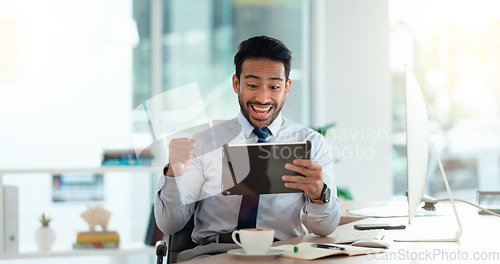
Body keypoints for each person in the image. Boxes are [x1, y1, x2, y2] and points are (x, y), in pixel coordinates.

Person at [155, 36, 341, 261]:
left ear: (287, 88)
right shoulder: (204, 143)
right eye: (252, 85)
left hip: (281, 255)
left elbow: (325, 229)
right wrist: (174, 173)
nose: (263, 98)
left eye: (274, 86)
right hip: (214, 255)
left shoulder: (310, 143)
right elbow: (170, 224)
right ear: (236, 84)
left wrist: (319, 195)